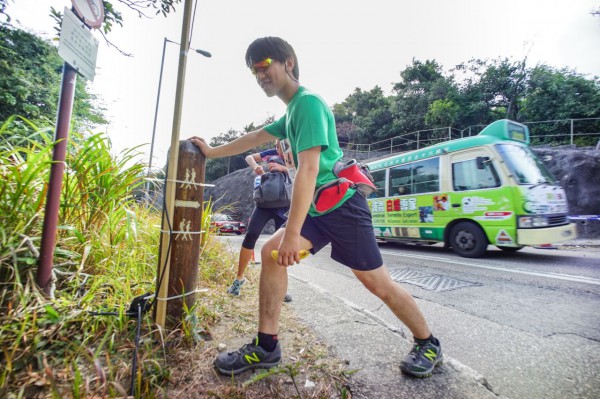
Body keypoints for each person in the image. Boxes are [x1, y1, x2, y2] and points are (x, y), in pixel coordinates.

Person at [189, 36, 442, 378]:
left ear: (288, 63)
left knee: (378, 284)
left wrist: (293, 233)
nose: (260, 75)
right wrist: (212, 150)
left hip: (342, 206)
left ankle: (428, 343)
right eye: (253, 71)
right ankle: (266, 346)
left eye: (264, 66)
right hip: (319, 209)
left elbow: (308, 168)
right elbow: (253, 138)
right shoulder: (291, 112)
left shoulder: (307, 104)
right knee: (272, 254)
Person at [227, 141, 292, 303]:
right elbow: (249, 157)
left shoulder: (294, 155)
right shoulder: (270, 153)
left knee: (281, 246)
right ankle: (239, 279)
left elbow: (305, 172)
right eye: (277, 145)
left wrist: (284, 169)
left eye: (282, 145)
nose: (278, 148)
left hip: (284, 205)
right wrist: (255, 166)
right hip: (264, 203)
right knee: (250, 236)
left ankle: (281, 288)